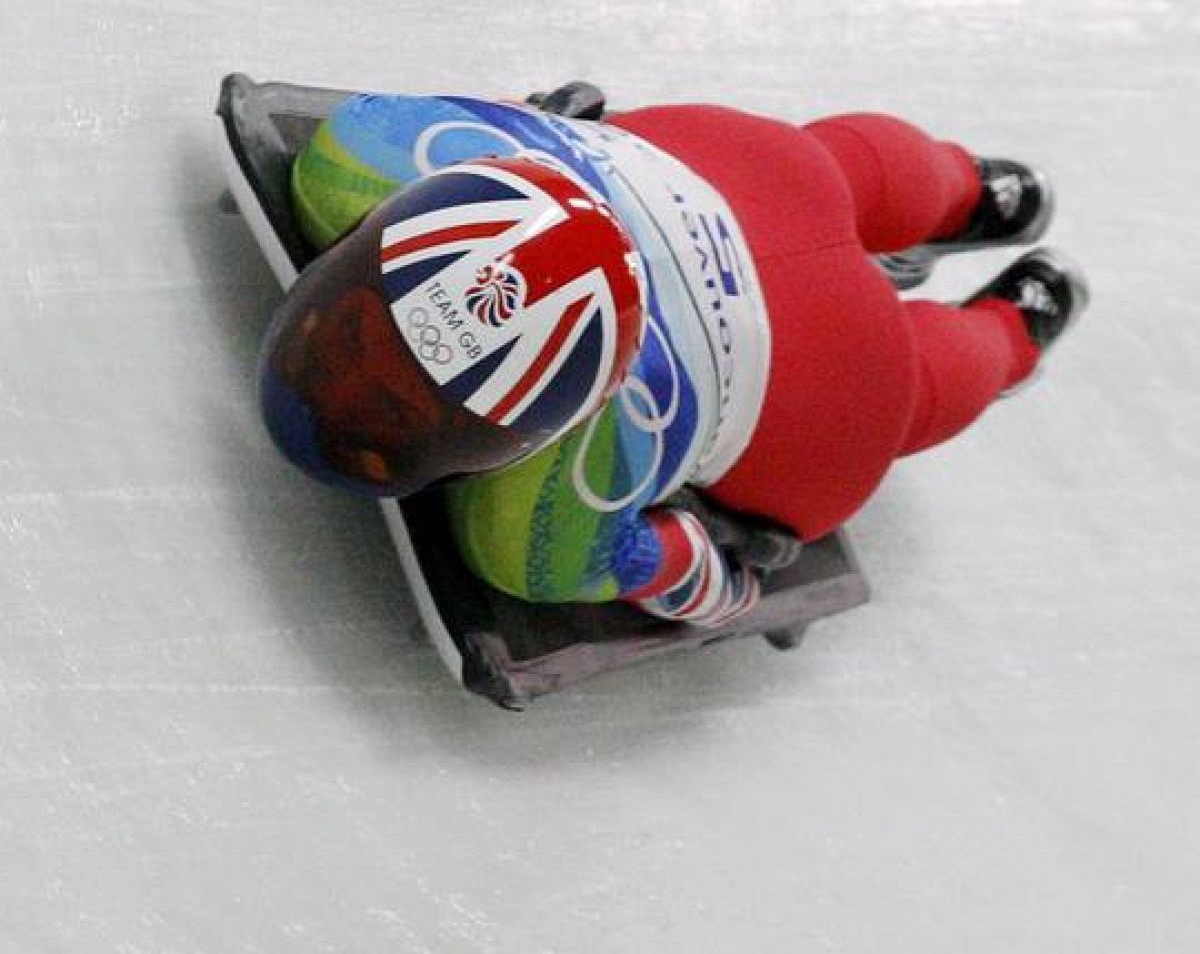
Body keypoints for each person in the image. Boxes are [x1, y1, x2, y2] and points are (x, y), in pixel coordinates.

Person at [258, 90, 1087, 627]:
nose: (345, 387)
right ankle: (965, 187)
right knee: (841, 164)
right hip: (742, 172)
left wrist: (730, 574)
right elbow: (498, 110)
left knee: (911, 385)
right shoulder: (364, 155)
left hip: (820, 372)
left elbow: (680, 569)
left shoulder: (543, 518)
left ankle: (1006, 335)